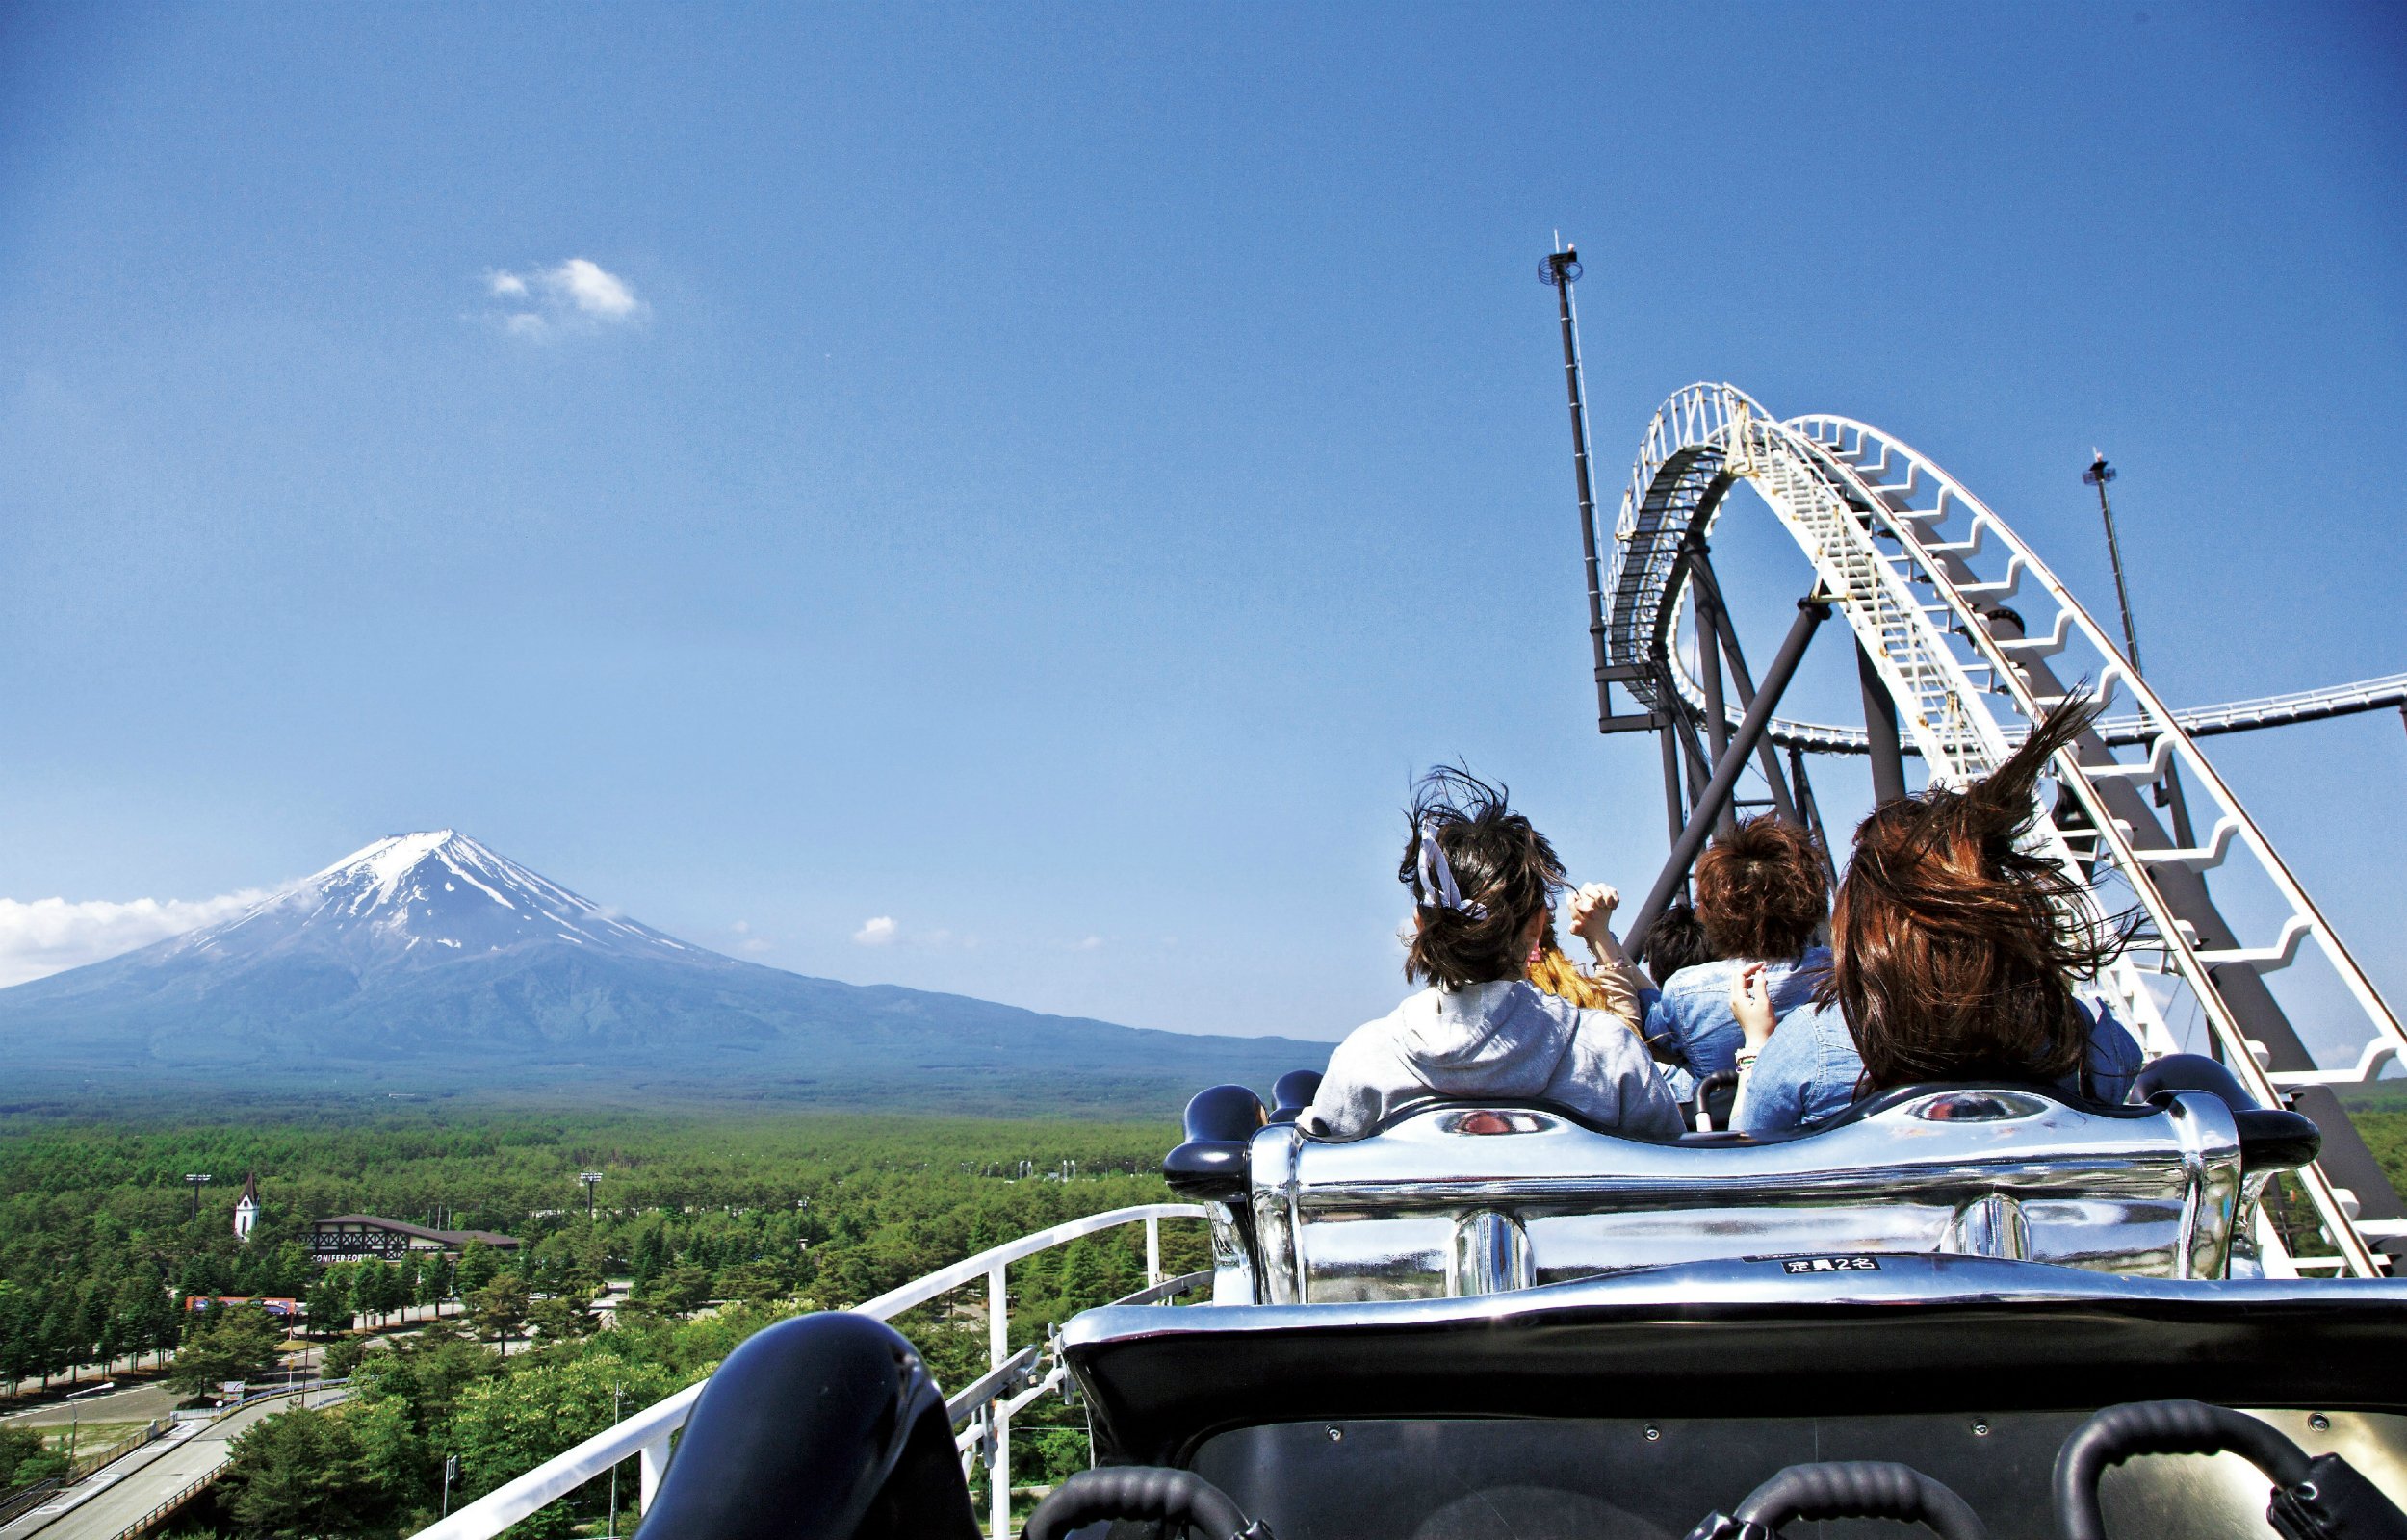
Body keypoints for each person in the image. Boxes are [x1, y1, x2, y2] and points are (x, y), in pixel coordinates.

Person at [1730, 698, 2143, 1135]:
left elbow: (1748, 1142)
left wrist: (1755, 1046)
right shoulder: (2088, 1035)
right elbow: (2126, 1070)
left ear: (1866, 924)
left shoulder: (1811, 1043)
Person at [1304, 770, 1685, 1141]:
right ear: (1537, 926)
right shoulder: (1608, 1053)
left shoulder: (1365, 1060)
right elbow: (1669, 1161)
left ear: (1421, 925)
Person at [1641, 817, 1830, 1096]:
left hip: (1725, 1117)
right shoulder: (1839, 972)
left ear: (1711, 913)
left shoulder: (1684, 991)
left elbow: (1654, 1029)